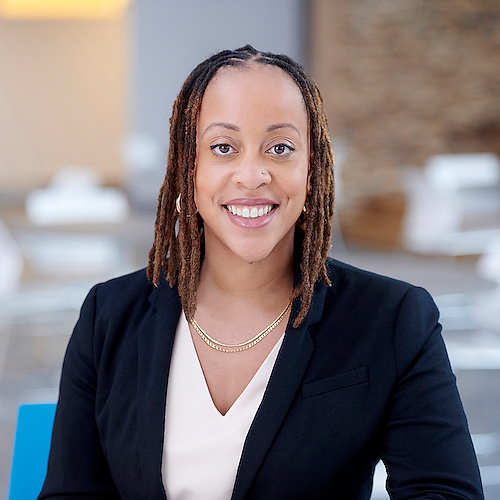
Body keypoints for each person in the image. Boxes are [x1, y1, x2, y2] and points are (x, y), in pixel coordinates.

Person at [39, 45, 484, 500]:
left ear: (311, 169)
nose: (252, 175)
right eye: (223, 148)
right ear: (189, 169)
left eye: (280, 148)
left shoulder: (392, 318)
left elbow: (445, 491)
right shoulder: (109, 315)